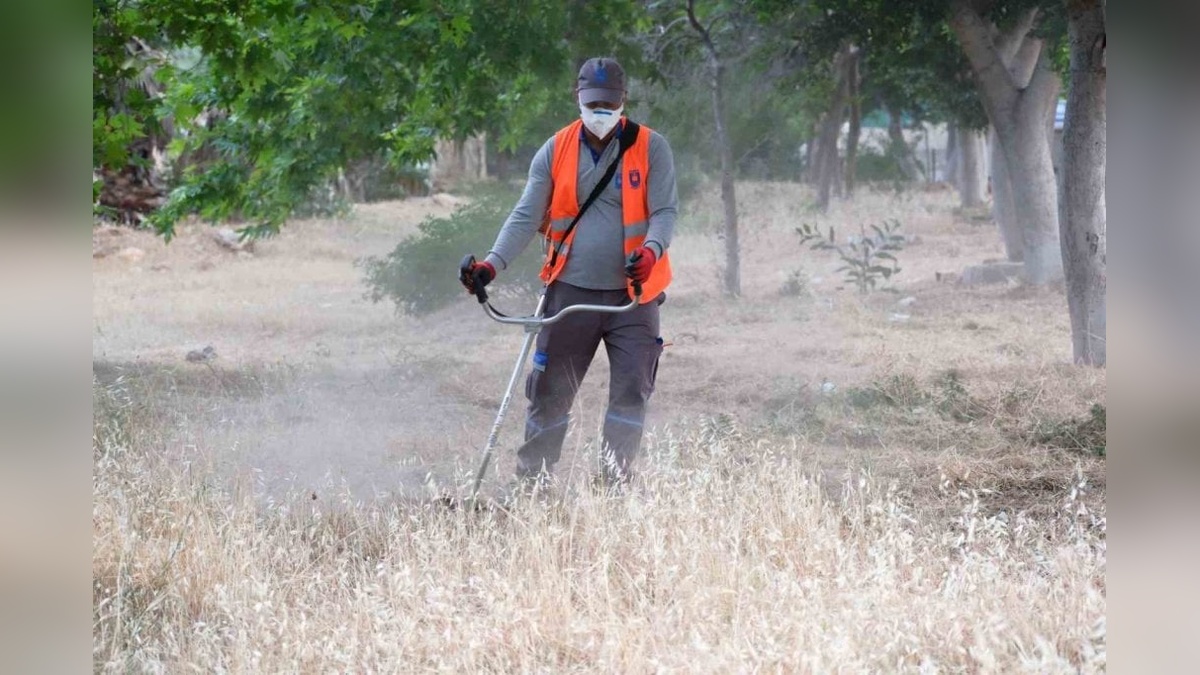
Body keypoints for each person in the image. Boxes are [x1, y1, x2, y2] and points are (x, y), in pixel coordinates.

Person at [459, 56, 678, 491]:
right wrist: (491, 265)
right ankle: (532, 487)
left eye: (608, 105)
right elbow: (525, 216)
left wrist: (651, 252)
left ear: (623, 102)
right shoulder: (555, 149)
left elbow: (664, 211)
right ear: (578, 99)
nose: (601, 113)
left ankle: (613, 487)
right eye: (593, 104)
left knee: (632, 391)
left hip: (633, 298)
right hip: (569, 296)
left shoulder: (652, 147)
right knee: (549, 394)